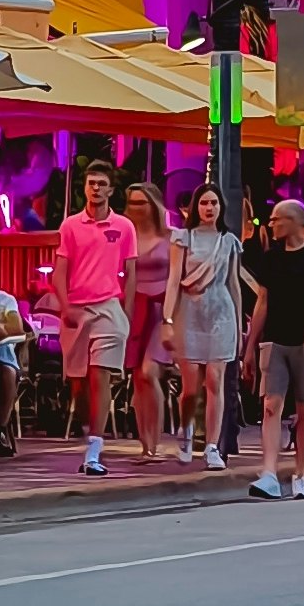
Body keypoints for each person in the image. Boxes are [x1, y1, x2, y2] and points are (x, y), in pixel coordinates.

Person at [240, 196, 304, 499]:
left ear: (293, 222)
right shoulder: (272, 257)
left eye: (277, 219)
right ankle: (269, 472)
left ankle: (300, 474)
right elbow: (263, 300)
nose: (271, 224)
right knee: (271, 405)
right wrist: (251, 344)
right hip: (276, 339)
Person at [52, 166, 136, 473]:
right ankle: (90, 431)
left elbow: (130, 273)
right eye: (92, 184)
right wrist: (65, 306)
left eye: (102, 184)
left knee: (101, 377)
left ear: (111, 190)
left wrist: (126, 315)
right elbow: (60, 271)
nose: (96, 189)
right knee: (79, 383)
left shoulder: (124, 226)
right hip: (76, 307)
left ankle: (94, 451)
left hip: (108, 307)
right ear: (84, 188)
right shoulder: (71, 226)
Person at [167, 182, 243, 469]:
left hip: (220, 313)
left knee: (215, 381)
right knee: (190, 387)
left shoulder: (229, 241)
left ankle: (211, 445)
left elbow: (233, 284)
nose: (209, 208)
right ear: (195, 207)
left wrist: (238, 324)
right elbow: (174, 280)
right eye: (204, 203)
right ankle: (186, 435)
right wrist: (168, 319)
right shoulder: (183, 238)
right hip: (190, 311)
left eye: (214, 203)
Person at [119, 178, 180, 456]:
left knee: (149, 371)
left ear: (154, 204)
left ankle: (155, 441)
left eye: (141, 202)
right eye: (131, 203)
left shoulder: (173, 237)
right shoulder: (124, 236)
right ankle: (145, 445)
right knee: (137, 377)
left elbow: (181, 277)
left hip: (164, 310)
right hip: (135, 307)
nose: (136, 208)